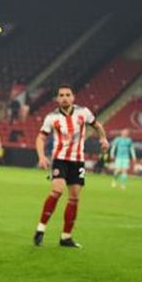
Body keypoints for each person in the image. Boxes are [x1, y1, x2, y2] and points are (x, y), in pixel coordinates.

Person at [33, 85, 109, 247]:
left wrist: (103, 139)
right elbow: (40, 138)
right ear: (58, 99)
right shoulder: (51, 117)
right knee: (57, 191)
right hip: (59, 159)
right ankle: (41, 228)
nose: (65, 98)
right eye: (61, 95)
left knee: (74, 198)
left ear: (73, 97)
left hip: (78, 161)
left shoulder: (84, 112)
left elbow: (97, 126)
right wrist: (41, 156)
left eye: (68, 95)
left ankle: (66, 237)